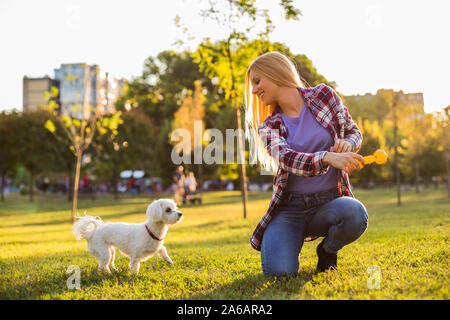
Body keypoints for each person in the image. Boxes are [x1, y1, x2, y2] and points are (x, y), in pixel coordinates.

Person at [245, 52, 368, 277]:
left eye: (257, 81)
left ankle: (328, 249)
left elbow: (354, 131)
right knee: (279, 273)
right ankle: (287, 240)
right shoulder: (268, 127)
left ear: (276, 72)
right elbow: (287, 159)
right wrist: (326, 157)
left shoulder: (324, 95)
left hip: (329, 202)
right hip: (290, 208)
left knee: (355, 214)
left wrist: (348, 144)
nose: (253, 90)